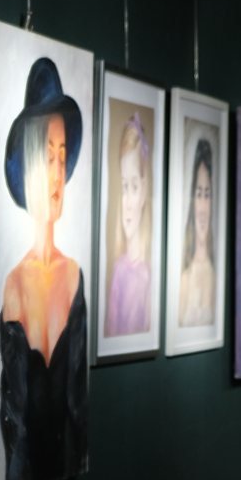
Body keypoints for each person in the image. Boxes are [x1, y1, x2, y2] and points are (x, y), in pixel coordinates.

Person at [0, 57, 88, 480]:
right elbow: (13, 423)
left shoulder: (74, 278)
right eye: (47, 156)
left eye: (62, 157)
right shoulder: (14, 288)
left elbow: (80, 412)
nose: (57, 174)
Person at [103, 112, 152, 336]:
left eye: (134, 187)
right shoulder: (119, 270)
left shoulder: (148, 277)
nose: (128, 203)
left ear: (144, 190)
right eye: (124, 187)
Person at [177, 136, 216, 327]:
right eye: (198, 194)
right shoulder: (184, 274)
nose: (202, 208)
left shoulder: (215, 273)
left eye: (207, 195)